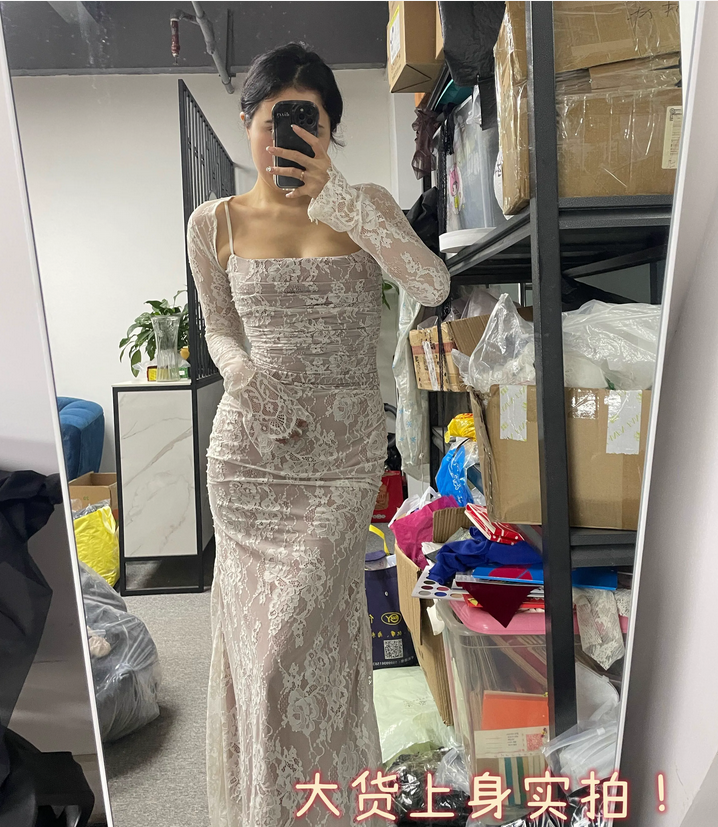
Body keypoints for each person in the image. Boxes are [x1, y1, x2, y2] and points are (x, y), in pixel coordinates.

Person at [186, 43, 450, 826]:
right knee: (261, 654)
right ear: (247, 123)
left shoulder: (364, 204)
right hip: (249, 459)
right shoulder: (214, 222)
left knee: (291, 652)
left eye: (312, 123)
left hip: (340, 460)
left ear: (331, 131)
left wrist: (344, 201)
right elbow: (218, 327)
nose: (291, 139)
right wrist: (242, 376)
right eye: (276, 121)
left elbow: (431, 283)